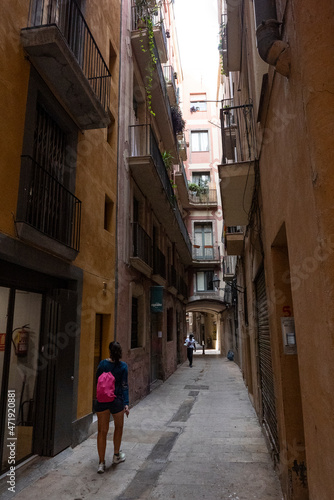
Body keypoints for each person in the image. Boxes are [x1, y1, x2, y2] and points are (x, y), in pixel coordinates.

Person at [95, 341, 129, 473]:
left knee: (102, 432)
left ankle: (101, 463)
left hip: (102, 401)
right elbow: (125, 386)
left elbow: (97, 379)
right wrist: (126, 403)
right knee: (118, 427)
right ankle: (116, 456)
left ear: (109, 351)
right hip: (117, 401)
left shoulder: (103, 364)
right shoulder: (123, 366)